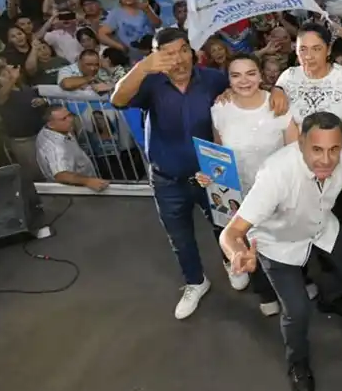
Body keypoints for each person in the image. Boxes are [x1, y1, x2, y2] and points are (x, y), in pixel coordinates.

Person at [111, 27, 289, 319]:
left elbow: (244, 83)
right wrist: (142, 68)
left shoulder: (211, 78)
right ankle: (195, 282)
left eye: (182, 50)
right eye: (167, 53)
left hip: (213, 175)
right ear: (156, 56)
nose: (177, 58)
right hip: (167, 177)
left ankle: (230, 261)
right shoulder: (150, 82)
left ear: (192, 51)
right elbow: (117, 100)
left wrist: (277, 90)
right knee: (179, 236)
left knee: (225, 224)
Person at [218, 112, 342, 391]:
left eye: (334, 149)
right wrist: (237, 254)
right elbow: (230, 234)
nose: (326, 160)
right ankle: (297, 362)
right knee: (296, 311)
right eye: (317, 150)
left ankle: (329, 300)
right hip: (278, 243)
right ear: (300, 144)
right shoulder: (275, 174)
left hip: (322, 229)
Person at [201, 54, 297, 316]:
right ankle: (264, 292)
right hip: (240, 192)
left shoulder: (278, 104)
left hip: (278, 190)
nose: (244, 80)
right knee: (251, 243)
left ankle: (297, 284)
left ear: (261, 75)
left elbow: (295, 151)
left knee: (284, 239)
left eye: (251, 73)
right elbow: (218, 153)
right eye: (236, 75)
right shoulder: (220, 109)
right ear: (228, 79)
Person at [35, 106, 109, 193]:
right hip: (74, 190)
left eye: (69, 115)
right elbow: (61, 175)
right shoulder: (55, 147)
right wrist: (88, 181)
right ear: (51, 124)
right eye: (64, 119)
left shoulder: (54, 130)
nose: (70, 120)